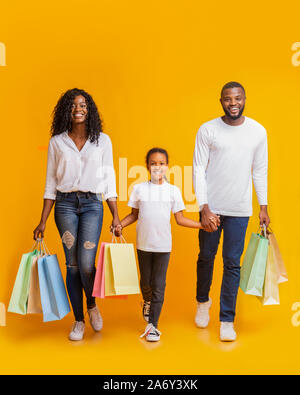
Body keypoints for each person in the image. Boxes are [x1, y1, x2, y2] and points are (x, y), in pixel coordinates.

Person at [33, 88, 121, 341]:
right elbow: (50, 183)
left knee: (85, 263)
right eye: (72, 105)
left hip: (93, 204)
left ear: (89, 109)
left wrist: (115, 215)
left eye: (83, 105)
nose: (78, 109)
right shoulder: (57, 142)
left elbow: (109, 180)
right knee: (72, 266)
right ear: (66, 111)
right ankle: (79, 320)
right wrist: (42, 220)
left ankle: (91, 304)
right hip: (64, 205)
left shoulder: (102, 141)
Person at [193, 81, 270, 341]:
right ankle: (203, 301)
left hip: (239, 209)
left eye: (237, 98)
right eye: (228, 99)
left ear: (245, 99)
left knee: (232, 263)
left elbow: (259, 170)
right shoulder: (207, 130)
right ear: (221, 101)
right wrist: (203, 207)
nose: (233, 103)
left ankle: (227, 319)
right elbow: (197, 169)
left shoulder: (258, 131)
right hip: (211, 208)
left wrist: (263, 206)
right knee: (206, 256)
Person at [116, 147, 217, 342]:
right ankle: (147, 301)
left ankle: (153, 326)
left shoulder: (173, 191)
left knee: (159, 285)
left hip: (163, 247)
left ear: (167, 167)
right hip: (143, 245)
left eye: (161, 163)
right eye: (153, 163)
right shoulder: (139, 189)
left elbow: (180, 219)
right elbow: (134, 215)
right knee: (146, 282)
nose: (157, 167)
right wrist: (119, 224)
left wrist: (202, 226)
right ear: (147, 166)